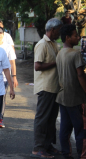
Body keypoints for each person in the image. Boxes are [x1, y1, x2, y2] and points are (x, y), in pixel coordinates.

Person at [31, 18, 63, 159]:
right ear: (53, 29)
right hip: (46, 87)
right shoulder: (42, 44)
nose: (60, 33)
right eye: (59, 30)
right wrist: (56, 62)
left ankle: (47, 145)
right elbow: (37, 66)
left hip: (54, 87)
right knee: (42, 118)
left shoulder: (54, 44)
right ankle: (38, 148)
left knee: (51, 119)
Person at [56, 24, 86, 159]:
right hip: (76, 98)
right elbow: (81, 76)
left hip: (62, 97)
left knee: (65, 127)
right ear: (68, 38)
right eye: (75, 36)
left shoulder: (60, 52)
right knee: (81, 128)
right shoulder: (75, 54)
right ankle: (82, 154)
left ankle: (66, 153)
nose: (78, 38)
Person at [0, 26, 18, 128]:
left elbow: (12, 63)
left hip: (4, 78)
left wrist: (14, 77)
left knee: (2, 98)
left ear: (4, 35)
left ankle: (0, 119)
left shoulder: (8, 47)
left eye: (0, 33)